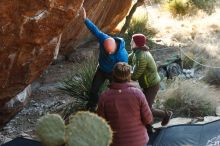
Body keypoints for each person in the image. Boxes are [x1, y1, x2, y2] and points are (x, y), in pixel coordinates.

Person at [80, 8, 128, 110]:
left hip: (113, 73)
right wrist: (85, 19)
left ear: (115, 47)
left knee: (116, 92)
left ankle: (115, 108)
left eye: (111, 52)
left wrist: (123, 81)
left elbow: (124, 70)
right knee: (94, 89)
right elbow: (94, 30)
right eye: (107, 51)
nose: (109, 53)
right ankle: (92, 106)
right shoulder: (103, 38)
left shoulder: (122, 55)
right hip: (101, 69)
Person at [97, 62, 153, 146]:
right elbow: (148, 119)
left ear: (113, 75)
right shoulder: (138, 93)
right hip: (139, 141)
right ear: (129, 76)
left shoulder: (104, 97)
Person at [128, 33, 172, 126]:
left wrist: (123, 74)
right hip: (148, 84)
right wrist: (119, 61)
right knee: (143, 106)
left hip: (151, 85)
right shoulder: (137, 52)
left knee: (146, 108)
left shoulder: (142, 56)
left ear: (136, 43)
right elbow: (128, 58)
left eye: (132, 41)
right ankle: (148, 125)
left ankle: (166, 115)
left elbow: (135, 76)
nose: (131, 42)